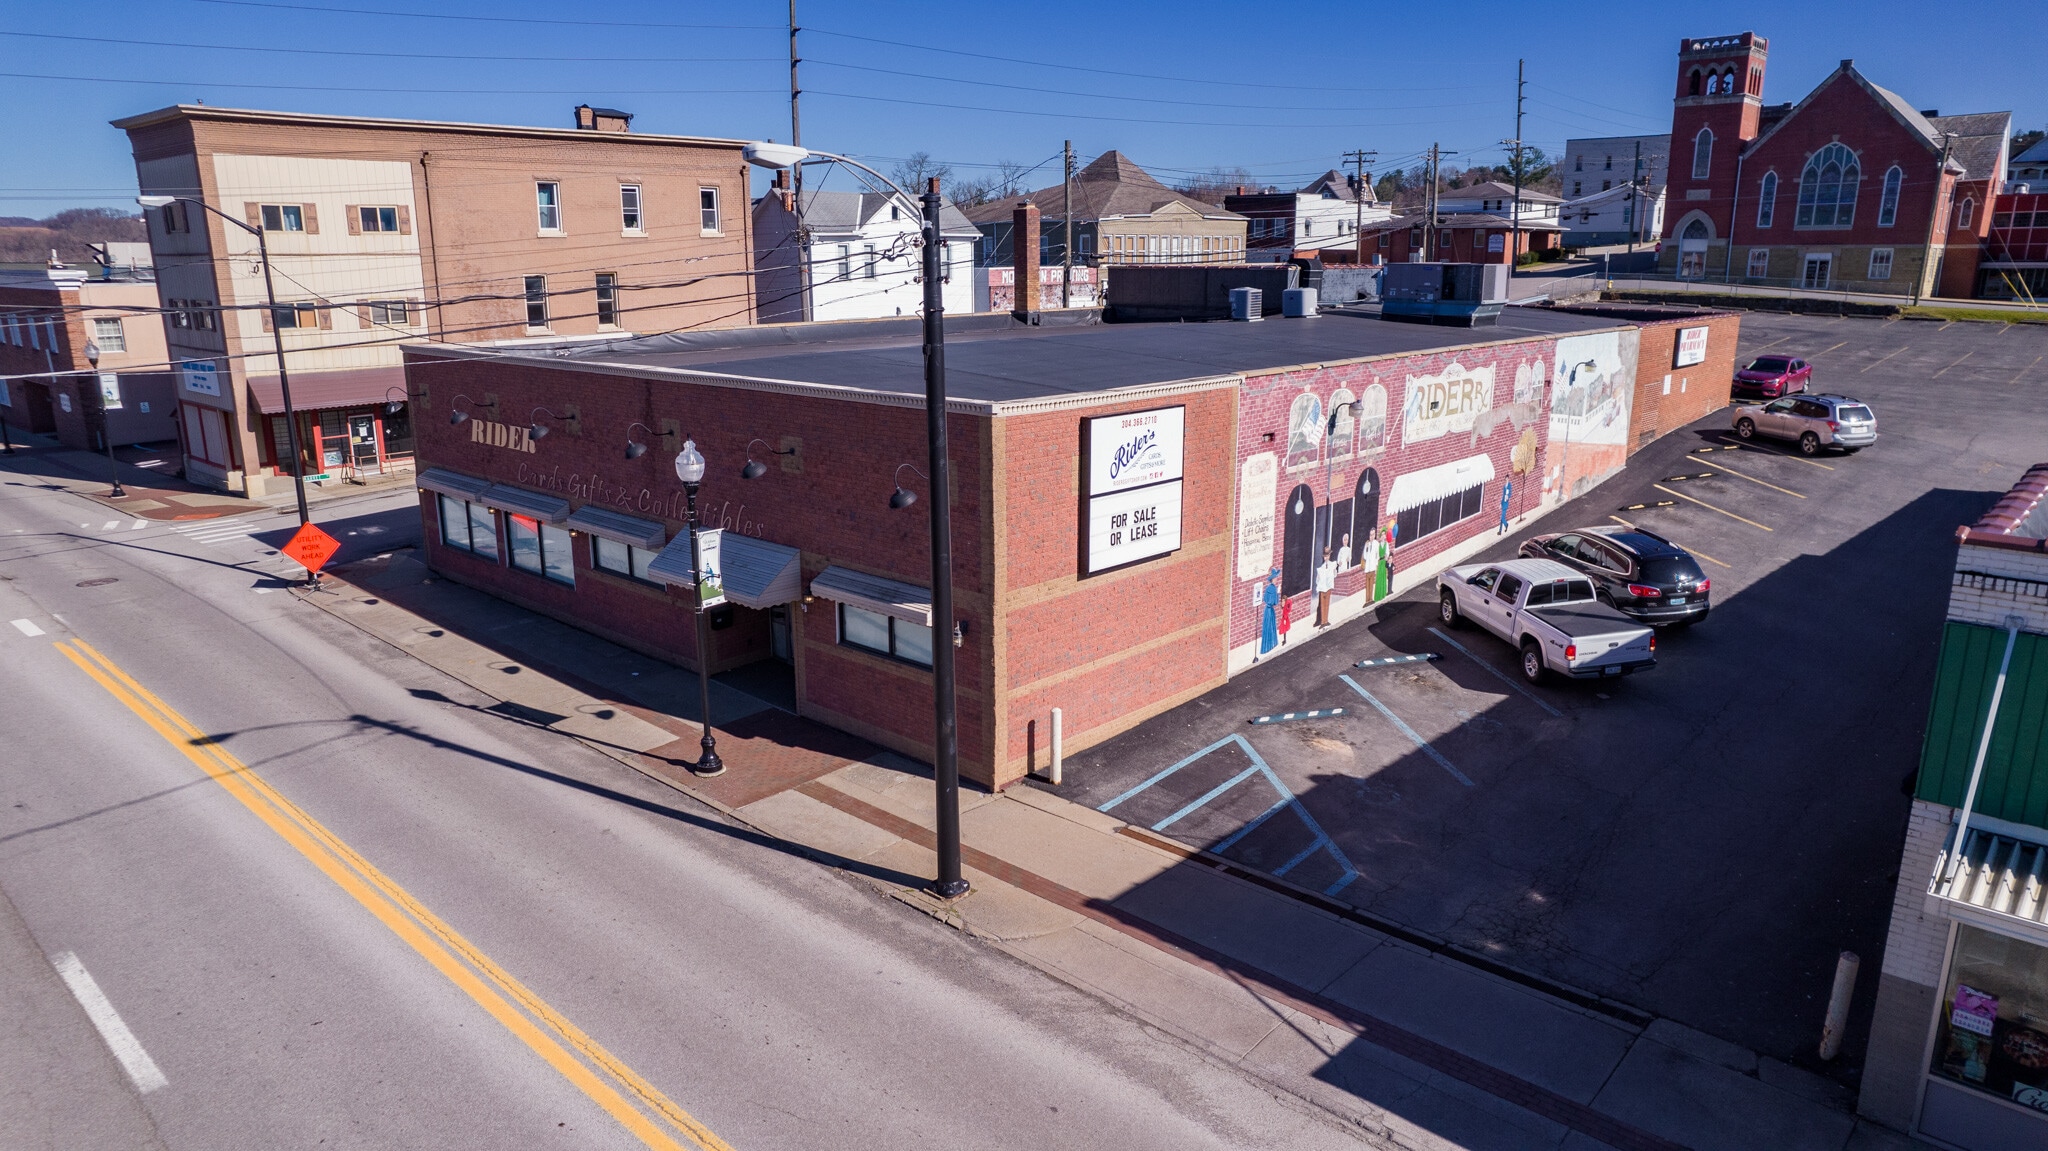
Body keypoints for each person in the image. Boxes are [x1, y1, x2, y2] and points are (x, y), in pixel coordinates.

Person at [1258, 568, 1280, 658]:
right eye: (1275, 578)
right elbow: (1274, 602)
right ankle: (1269, 646)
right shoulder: (1272, 588)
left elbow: (1266, 599)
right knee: (1269, 626)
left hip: (1268, 610)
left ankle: (1269, 645)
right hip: (1269, 610)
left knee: (1269, 626)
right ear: (1272, 579)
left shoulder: (1269, 588)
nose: (1276, 579)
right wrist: (1278, 593)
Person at [1314, 547, 1338, 627]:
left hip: (1328, 587)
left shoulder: (1332, 565)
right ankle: (1322, 622)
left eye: (1327, 556)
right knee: (1322, 604)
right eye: (1325, 556)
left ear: (1329, 556)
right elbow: (1317, 579)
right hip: (1322, 588)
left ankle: (1326, 620)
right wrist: (1319, 582)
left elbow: (1334, 575)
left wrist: (1334, 570)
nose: (1326, 558)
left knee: (1327, 604)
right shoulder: (1322, 567)